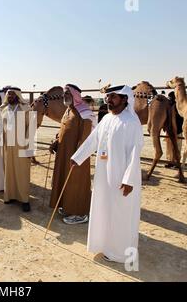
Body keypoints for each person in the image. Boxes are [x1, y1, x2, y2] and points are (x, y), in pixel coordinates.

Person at [71, 85, 144, 264]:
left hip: (122, 178)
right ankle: (103, 245)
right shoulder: (107, 119)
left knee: (120, 214)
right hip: (104, 175)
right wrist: (77, 157)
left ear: (125, 99)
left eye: (114, 97)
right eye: (108, 97)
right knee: (103, 209)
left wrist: (129, 180)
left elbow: (135, 154)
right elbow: (93, 140)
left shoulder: (131, 122)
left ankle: (120, 254)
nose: (109, 100)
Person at [50, 84, 95, 225]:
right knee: (65, 180)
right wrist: (56, 142)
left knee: (77, 183)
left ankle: (80, 213)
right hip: (64, 154)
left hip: (77, 157)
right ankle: (69, 207)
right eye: (64, 94)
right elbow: (64, 130)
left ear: (75, 95)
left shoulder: (85, 113)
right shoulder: (68, 110)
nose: (64, 96)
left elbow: (86, 138)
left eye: (67, 94)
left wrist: (78, 157)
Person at [0, 86, 33, 212]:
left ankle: (24, 200)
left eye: (13, 95)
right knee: (9, 171)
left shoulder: (26, 110)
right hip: (7, 146)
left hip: (22, 146)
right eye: (9, 94)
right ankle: (10, 196)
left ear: (18, 96)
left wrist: (29, 149)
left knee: (22, 173)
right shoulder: (3, 110)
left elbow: (31, 129)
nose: (10, 96)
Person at [165, 91, 184, 168]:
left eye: (171, 98)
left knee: (177, 146)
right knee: (169, 147)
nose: (170, 99)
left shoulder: (179, 106)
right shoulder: (169, 106)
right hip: (170, 130)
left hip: (178, 129)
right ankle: (170, 161)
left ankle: (176, 162)